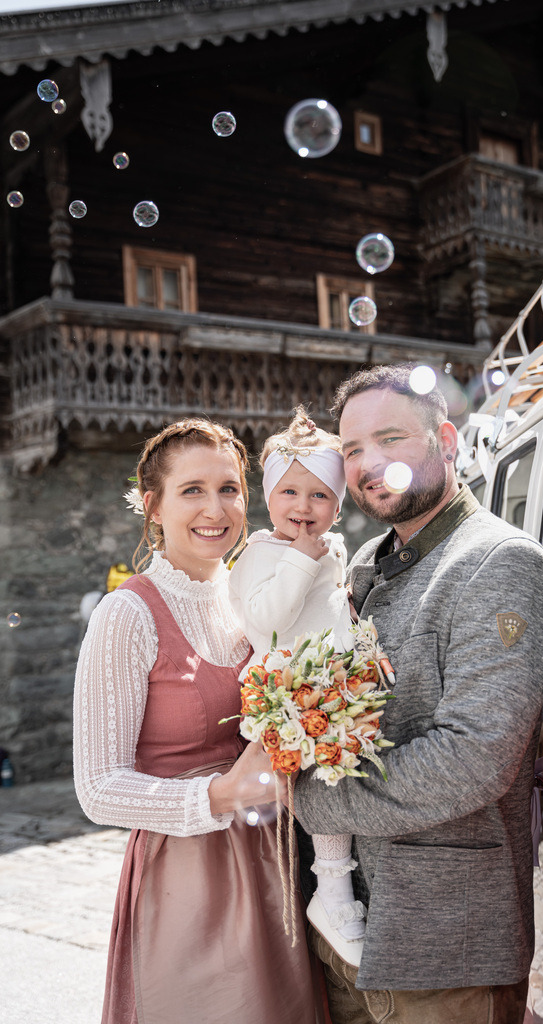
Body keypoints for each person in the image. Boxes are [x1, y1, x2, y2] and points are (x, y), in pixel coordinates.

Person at [293, 365, 543, 1024]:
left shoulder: (499, 561)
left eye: (390, 438)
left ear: (445, 440)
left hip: (445, 946)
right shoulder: (362, 564)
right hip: (343, 924)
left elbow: (473, 758)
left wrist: (315, 797)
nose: (369, 463)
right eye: (352, 449)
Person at [73, 418, 318, 1024]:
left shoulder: (251, 597)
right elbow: (98, 789)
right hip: (187, 879)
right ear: (152, 505)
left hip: (276, 859)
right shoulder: (126, 617)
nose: (217, 508)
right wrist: (221, 793)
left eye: (230, 488)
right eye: (193, 491)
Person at [229, 407, 367, 968]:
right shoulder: (262, 554)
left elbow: (334, 611)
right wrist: (301, 564)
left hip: (330, 686)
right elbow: (268, 619)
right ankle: (331, 893)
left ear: (337, 505)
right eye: (289, 493)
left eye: (319, 497)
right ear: (268, 498)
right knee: (328, 787)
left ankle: (333, 888)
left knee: (342, 783)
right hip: (289, 693)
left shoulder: (328, 549)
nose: (303, 509)